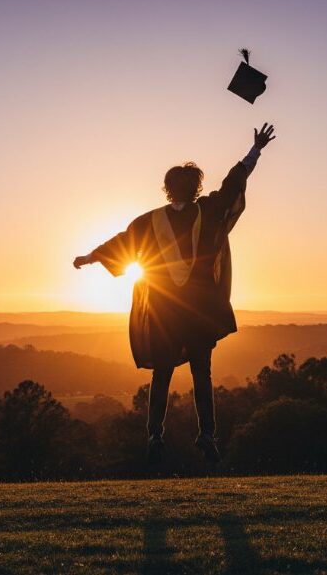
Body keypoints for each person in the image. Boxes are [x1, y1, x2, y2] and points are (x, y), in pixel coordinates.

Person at [73, 123, 276, 463]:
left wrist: (91, 257)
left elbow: (122, 243)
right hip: (200, 310)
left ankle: (154, 435)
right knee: (202, 373)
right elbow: (233, 184)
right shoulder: (208, 211)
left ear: (167, 189)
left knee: (162, 374)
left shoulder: (149, 221)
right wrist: (255, 150)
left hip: (165, 311)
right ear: (196, 188)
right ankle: (207, 435)